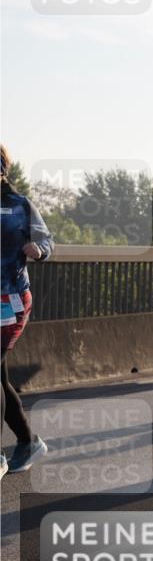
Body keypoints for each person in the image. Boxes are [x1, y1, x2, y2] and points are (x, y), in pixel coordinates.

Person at [1, 145, 54, 478]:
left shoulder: (20, 206)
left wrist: (39, 250)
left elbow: (47, 241)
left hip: (11, 300)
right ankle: (28, 442)